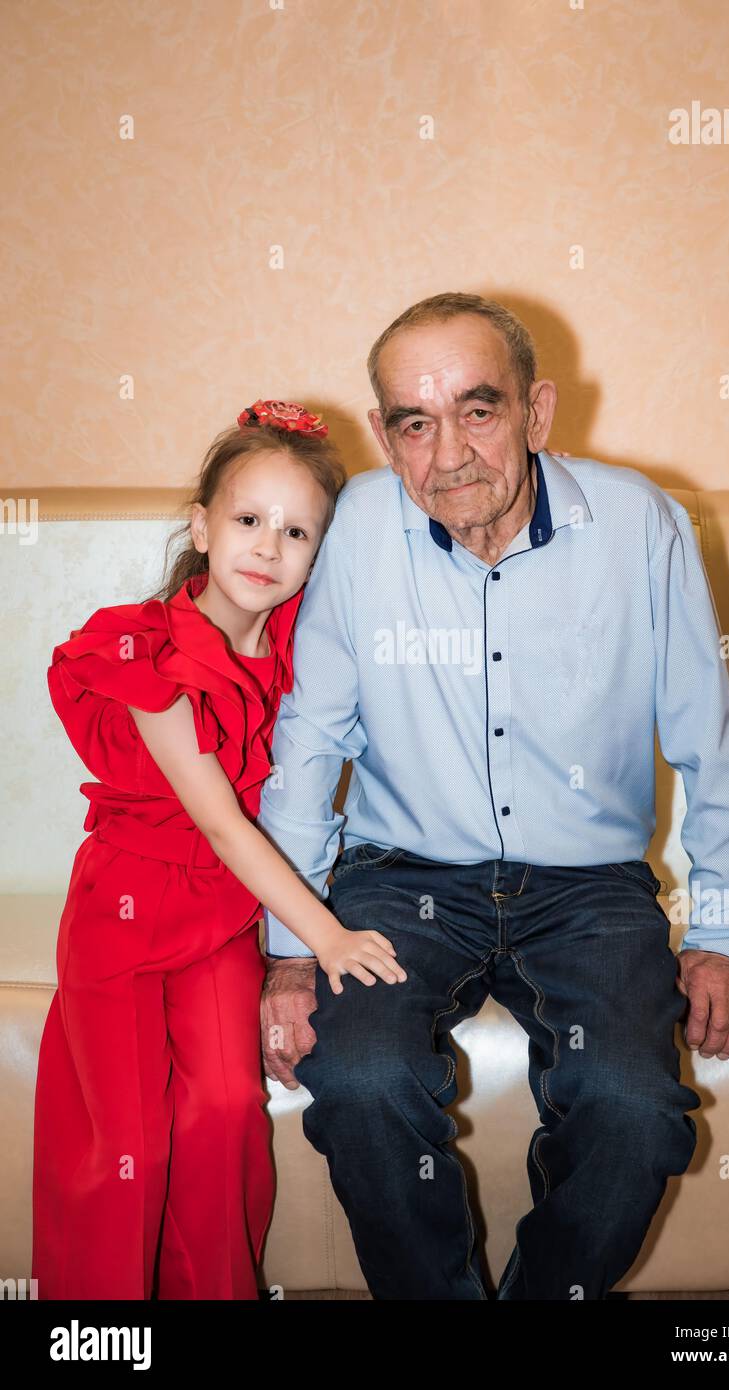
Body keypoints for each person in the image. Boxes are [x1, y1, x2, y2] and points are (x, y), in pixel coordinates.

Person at [257, 295, 729, 1301]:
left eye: (478, 409)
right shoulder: (361, 527)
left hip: (586, 888)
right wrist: (290, 950)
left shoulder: (639, 522)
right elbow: (307, 742)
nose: (449, 452)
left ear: (536, 412)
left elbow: (709, 734)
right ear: (383, 436)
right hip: (400, 879)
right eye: (414, 422)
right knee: (363, 1080)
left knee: (635, 1107)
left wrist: (724, 932)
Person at [31, 399, 406, 1301]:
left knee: (227, 1112)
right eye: (247, 520)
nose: (268, 548)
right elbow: (223, 822)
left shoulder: (294, 652)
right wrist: (327, 936)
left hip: (221, 918)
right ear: (200, 524)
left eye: (296, 532)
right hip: (128, 913)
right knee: (129, 1143)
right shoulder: (148, 654)